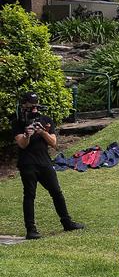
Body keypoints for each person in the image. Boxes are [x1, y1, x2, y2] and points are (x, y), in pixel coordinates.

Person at [13, 93, 84, 240]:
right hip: (27, 163)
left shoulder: (45, 120)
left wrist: (42, 131)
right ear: (24, 106)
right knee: (29, 195)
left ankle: (67, 222)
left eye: (36, 107)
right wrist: (28, 134)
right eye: (31, 107)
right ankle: (31, 230)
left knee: (56, 192)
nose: (34, 110)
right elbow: (21, 144)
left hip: (44, 161)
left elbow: (53, 143)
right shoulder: (18, 122)